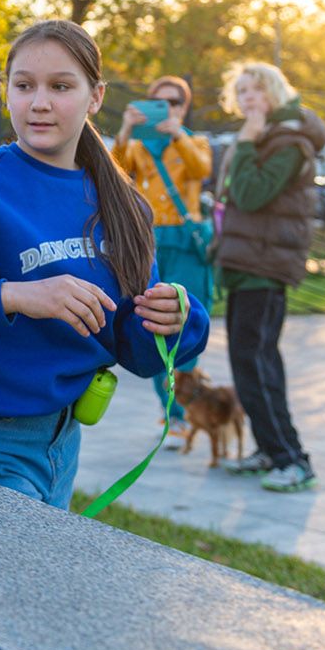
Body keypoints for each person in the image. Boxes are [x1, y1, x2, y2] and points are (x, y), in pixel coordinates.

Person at [0, 21, 209, 510]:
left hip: (63, 445)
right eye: (24, 85)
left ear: (96, 97)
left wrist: (177, 320)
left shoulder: (123, 204)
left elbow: (133, 345)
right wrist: (10, 296)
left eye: (61, 86)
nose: (40, 102)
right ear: (4, 91)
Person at [214, 61, 325, 493]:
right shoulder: (263, 138)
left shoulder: (288, 142)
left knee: (256, 363)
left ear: (275, 94)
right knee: (251, 363)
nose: (247, 99)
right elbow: (233, 203)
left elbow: (251, 193)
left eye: (255, 91)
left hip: (265, 267)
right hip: (245, 264)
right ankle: (269, 449)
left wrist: (243, 144)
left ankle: (292, 459)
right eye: (241, 91)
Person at [112, 76, 213, 443]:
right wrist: (126, 127)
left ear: (183, 107)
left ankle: (184, 408)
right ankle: (170, 412)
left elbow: (201, 170)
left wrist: (176, 134)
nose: (166, 107)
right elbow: (114, 174)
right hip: (150, 239)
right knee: (153, 322)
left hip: (185, 242)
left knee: (183, 323)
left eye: (173, 102)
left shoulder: (194, 141)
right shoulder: (140, 146)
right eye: (158, 101)